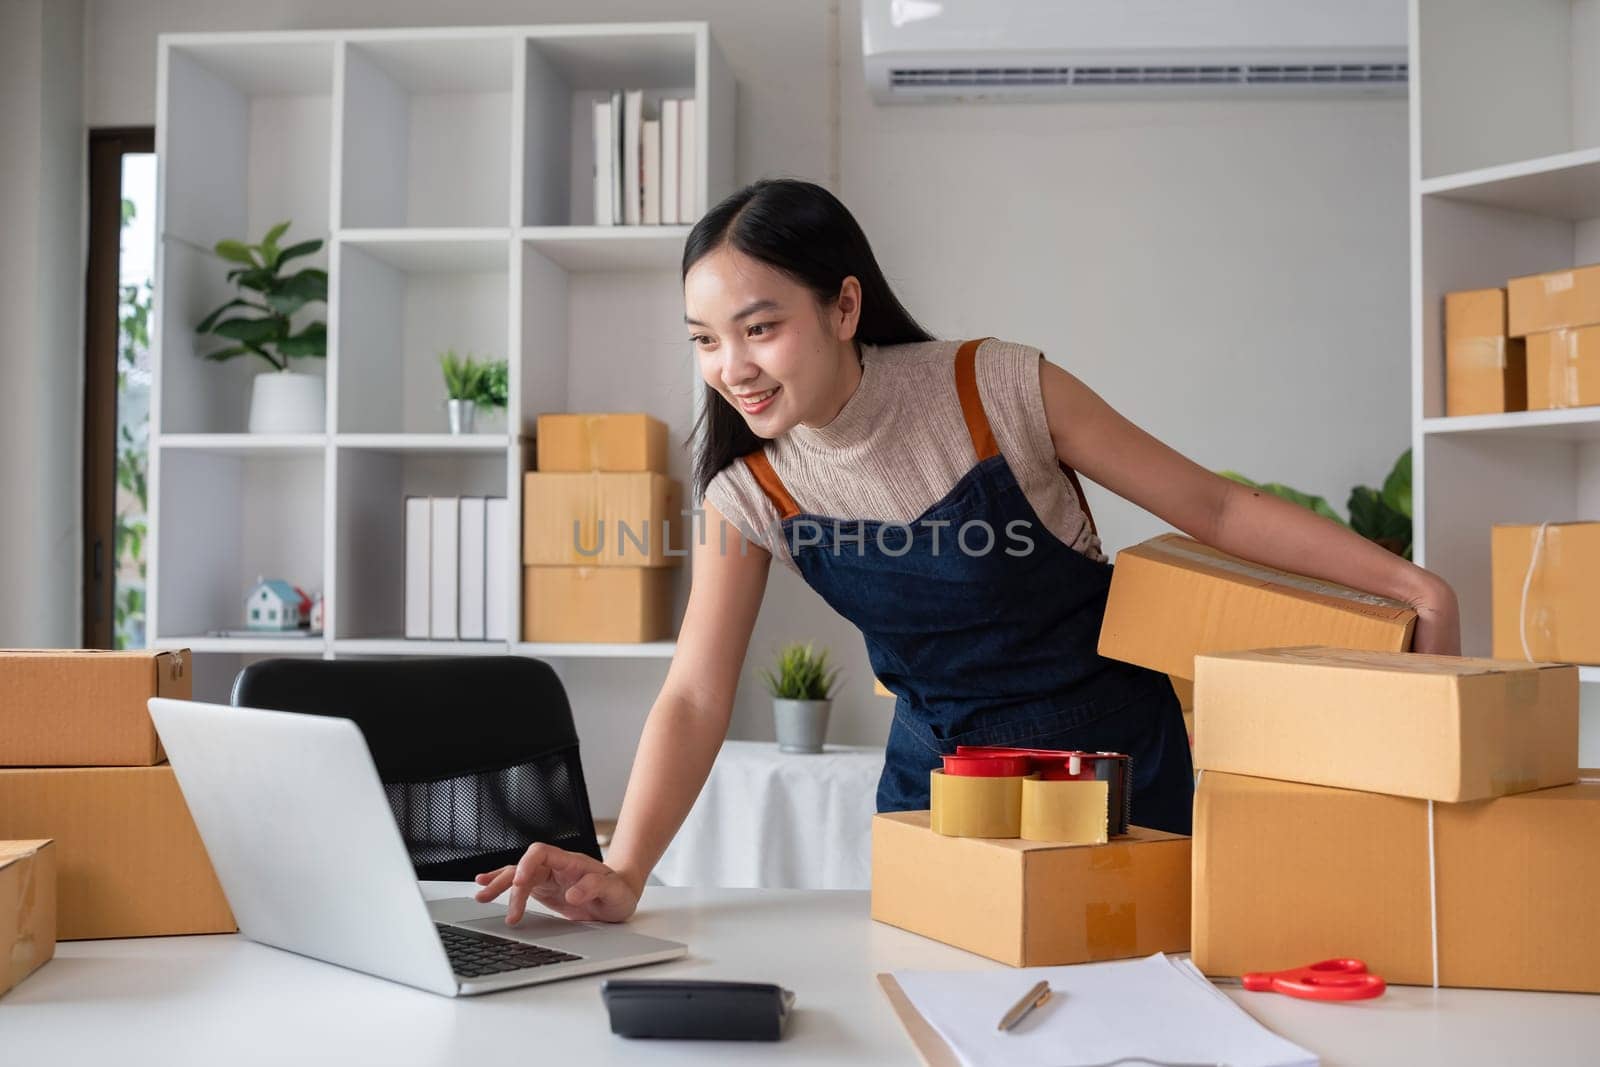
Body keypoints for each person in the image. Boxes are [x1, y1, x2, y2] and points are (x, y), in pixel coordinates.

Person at [473, 178, 1460, 925]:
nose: (731, 367)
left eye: (759, 327)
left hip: (1114, 779)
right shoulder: (753, 490)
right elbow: (693, 692)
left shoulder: (996, 390)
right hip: (939, 792)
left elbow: (1214, 507)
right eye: (703, 339)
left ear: (844, 307)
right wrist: (627, 866)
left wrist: (1405, 581)